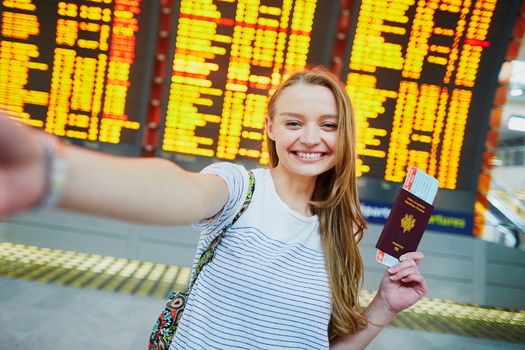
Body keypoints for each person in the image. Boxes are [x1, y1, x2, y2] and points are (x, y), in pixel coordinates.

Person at [0, 66, 427, 349]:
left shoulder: (343, 227)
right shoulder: (240, 188)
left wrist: (384, 308)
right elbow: (177, 189)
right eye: (294, 122)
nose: (311, 138)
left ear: (345, 135)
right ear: (271, 128)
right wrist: (53, 173)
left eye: (328, 125)